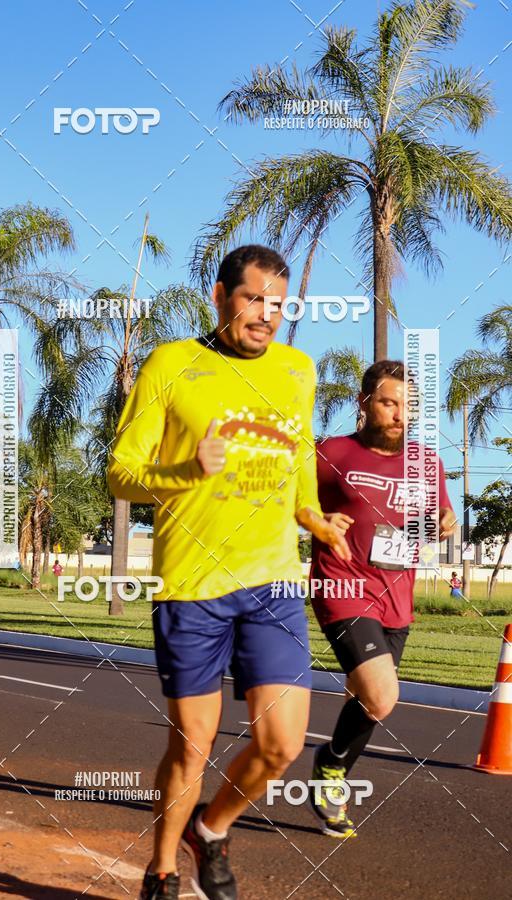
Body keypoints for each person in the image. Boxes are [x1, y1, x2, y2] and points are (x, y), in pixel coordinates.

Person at [107, 244, 349, 900]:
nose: (265, 316)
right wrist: (186, 471)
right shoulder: (171, 365)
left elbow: (299, 461)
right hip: (193, 586)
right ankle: (160, 870)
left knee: (281, 743)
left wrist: (316, 519)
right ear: (219, 297)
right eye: (252, 300)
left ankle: (210, 831)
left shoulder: (298, 370)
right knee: (193, 744)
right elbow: (120, 473)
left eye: (277, 305)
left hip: (271, 581)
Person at [308, 360, 456, 839]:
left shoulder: (426, 462)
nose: (398, 414)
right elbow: (288, 502)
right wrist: (317, 522)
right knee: (382, 694)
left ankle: (333, 769)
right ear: (366, 403)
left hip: (396, 597)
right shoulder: (332, 453)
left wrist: (443, 525)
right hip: (343, 587)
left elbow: (434, 523)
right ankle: (330, 768)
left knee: (369, 700)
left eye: (407, 406)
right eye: (389, 403)